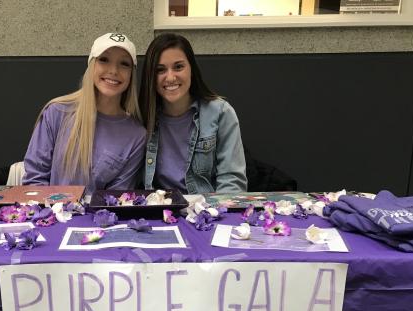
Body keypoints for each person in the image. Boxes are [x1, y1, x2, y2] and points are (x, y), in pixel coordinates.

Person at [22, 33, 146, 192]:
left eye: (124, 64)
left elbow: (116, 200)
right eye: (104, 59)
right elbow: (35, 179)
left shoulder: (136, 135)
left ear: (131, 74)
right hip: (49, 213)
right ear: (91, 65)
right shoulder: (56, 112)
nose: (114, 70)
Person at [139, 33, 247, 194]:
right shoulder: (142, 116)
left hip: (208, 211)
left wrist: (215, 215)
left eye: (178, 67)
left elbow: (232, 182)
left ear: (191, 69)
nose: (170, 77)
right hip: (158, 212)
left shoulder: (221, 112)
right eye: (160, 70)